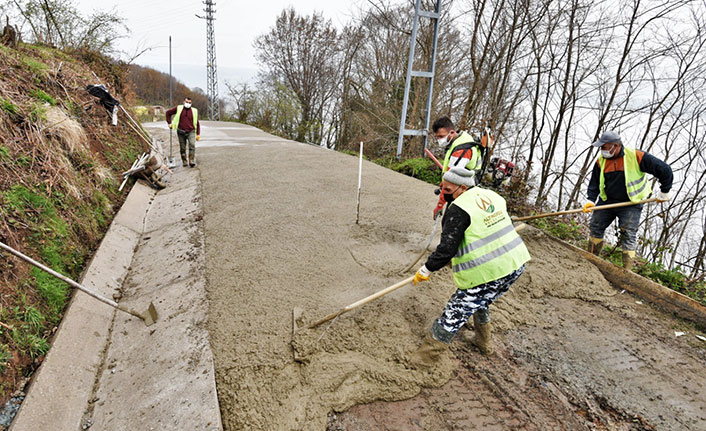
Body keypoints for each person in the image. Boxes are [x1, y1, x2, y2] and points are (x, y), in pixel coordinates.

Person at [410, 167, 531, 366]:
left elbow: (447, 248)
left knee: (455, 311)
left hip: (490, 270)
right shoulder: (492, 195)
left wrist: (427, 269)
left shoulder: (459, 209)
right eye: (442, 188)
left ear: (463, 187)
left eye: (447, 190)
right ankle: (484, 342)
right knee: (481, 299)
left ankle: (424, 360)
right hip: (515, 264)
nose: (444, 194)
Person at [582, 131, 673, 270]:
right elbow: (594, 183)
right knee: (596, 226)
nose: (602, 151)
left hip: (631, 203)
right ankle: (591, 261)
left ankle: (627, 272)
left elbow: (665, 169)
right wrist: (590, 200)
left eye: (604, 147)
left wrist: (664, 191)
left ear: (616, 146)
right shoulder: (601, 161)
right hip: (607, 201)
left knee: (628, 234)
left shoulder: (636, 156)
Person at [431, 116, 485, 219]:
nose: (439, 140)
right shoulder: (462, 138)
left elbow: (451, 180)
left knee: (450, 223)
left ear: (451, 132)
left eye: (441, 136)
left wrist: (440, 205)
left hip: (462, 192)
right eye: (437, 137)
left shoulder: (461, 150)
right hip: (463, 188)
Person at [166, 97, 201, 167]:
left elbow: (197, 122)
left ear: (191, 103)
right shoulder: (178, 108)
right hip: (181, 131)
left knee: (192, 145)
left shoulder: (194, 111)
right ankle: (184, 161)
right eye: (186, 102)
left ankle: (191, 160)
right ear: (183, 102)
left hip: (191, 131)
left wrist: (198, 134)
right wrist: (169, 123)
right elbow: (168, 113)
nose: (188, 104)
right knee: (183, 148)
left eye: (189, 103)